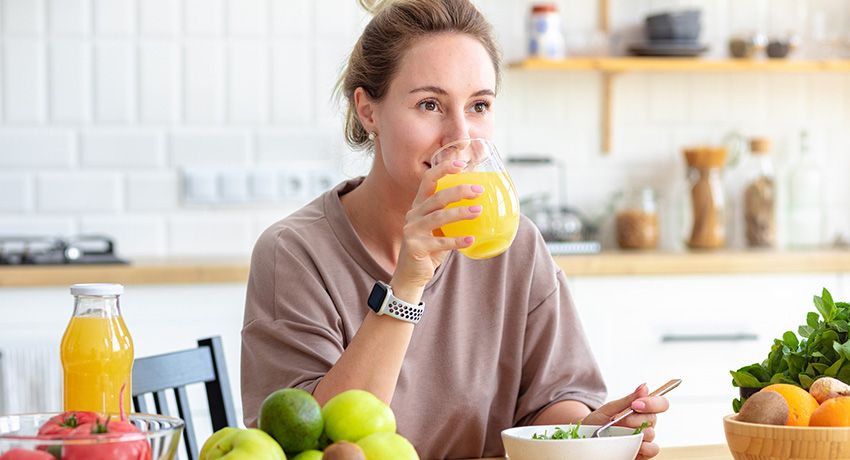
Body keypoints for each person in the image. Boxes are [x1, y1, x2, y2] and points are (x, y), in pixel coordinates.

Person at [241, 0, 669, 458]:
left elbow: (552, 401)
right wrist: (407, 284)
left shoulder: (512, 244)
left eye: (479, 105)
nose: (460, 136)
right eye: (430, 104)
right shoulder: (294, 253)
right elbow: (311, 440)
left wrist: (587, 435)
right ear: (368, 111)